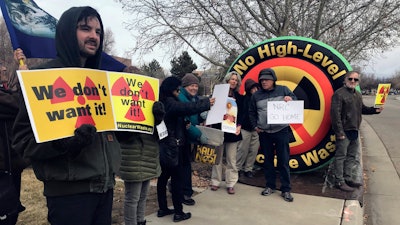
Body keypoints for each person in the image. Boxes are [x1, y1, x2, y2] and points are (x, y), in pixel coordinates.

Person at [12, 7, 123, 225]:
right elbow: (22, 142)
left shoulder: (102, 82)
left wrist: (147, 119)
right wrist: (65, 143)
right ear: (66, 33)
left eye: (98, 32)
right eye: (85, 29)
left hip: (106, 189)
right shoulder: (41, 78)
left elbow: (115, 133)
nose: (94, 36)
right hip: (70, 196)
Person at [157, 76, 214, 222]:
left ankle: (163, 208)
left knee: (163, 178)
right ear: (172, 89)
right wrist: (206, 103)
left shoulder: (162, 101)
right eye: (177, 88)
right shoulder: (170, 103)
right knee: (176, 179)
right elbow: (185, 108)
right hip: (174, 146)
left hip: (166, 146)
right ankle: (178, 212)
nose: (178, 91)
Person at [330, 71, 383, 192]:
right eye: (350, 79)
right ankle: (339, 181)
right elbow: (335, 115)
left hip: (354, 130)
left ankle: (348, 178)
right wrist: (339, 132)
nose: (353, 81)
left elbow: (362, 109)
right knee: (340, 157)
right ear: (345, 80)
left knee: (352, 156)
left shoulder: (358, 94)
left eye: (355, 79)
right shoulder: (339, 94)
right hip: (344, 131)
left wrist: (375, 110)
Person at [249, 68, 296, 202]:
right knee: (268, 161)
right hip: (264, 133)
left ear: (273, 80)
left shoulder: (283, 89)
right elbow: (251, 112)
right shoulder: (256, 96)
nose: (264, 82)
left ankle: (286, 189)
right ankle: (270, 186)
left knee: (283, 160)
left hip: (281, 131)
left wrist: (290, 99)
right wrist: (255, 126)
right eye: (262, 80)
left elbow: (296, 100)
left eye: (267, 80)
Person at [117, 99, 165, 225]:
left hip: (148, 158)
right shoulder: (123, 111)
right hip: (133, 159)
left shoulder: (151, 109)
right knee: (132, 199)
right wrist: (133, 127)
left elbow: (162, 135)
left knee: (143, 196)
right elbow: (121, 136)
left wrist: (158, 119)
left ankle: (140, 221)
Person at [0, 50, 29, 225]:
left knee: (11, 214)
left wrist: (21, 67)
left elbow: (14, 97)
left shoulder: (4, 92)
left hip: (10, 168)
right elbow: (19, 104)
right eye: (0, 66)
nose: (4, 69)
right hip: (2, 171)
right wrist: (25, 78)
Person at [177, 73, 208, 206]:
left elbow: (194, 118)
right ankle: (185, 193)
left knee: (184, 165)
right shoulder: (181, 98)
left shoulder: (193, 99)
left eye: (196, 85)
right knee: (183, 166)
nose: (194, 88)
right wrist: (199, 135)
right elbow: (186, 123)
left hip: (188, 138)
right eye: (191, 85)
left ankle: (179, 188)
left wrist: (202, 117)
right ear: (185, 86)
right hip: (181, 137)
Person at [210, 71, 243, 195]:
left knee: (231, 159)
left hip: (232, 132)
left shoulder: (239, 97)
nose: (234, 81)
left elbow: (242, 114)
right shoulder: (217, 95)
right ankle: (215, 181)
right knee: (217, 158)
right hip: (219, 129)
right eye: (232, 79)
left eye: (236, 80)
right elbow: (211, 109)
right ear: (227, 80)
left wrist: (239, 126)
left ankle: (231, 183)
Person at [237, 78, 260, 178]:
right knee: (242, 150)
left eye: (255, 87)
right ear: (248, 89)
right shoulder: (243, 99)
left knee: (253, 150)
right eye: (252, 88)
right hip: (245, 128)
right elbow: (240, 113)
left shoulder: (259, 99)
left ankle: (248, 169)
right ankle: (237, 169)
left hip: (256, 129)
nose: (254, 89)